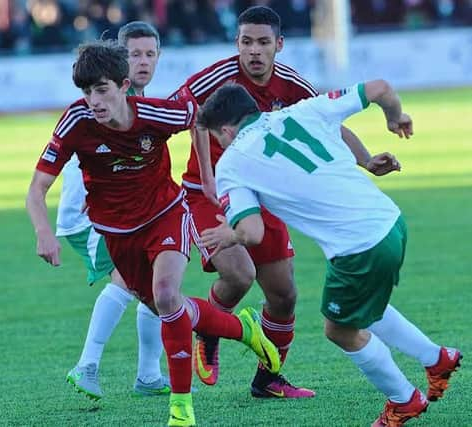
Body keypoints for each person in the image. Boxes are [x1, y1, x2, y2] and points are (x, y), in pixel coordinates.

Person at [26, 39, 281, 427]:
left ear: (124, 85)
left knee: (165, 297)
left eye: (102, 89)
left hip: (165, 213)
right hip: (117, 233)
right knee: (171, 308)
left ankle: (181, 409)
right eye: (86, 91)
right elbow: (37, 189)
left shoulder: (155, 114)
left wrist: (208, 177)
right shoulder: (77, 121)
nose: (93, 100)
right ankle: (243, 329)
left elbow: (198, 118)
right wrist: (44, 231)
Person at [197, 80, 462, 426]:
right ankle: (437, 359)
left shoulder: (231, 164)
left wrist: (227, 234)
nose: (221, 143)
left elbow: (252, 232)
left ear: (227, 130)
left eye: (217, 137)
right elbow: (380, 88)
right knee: (365, 308)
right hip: (390, 221)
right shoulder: (301, 111)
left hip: (358, 246)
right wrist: (395, 117)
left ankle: (404, 401)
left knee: (339, 329)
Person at [171, 5, 397, 398]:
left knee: (283, 294)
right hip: (209, 193)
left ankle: (268, 379)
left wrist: (365, 161)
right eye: (246, 42)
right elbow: (190, 115)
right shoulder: (218, 77)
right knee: (239, 275)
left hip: (263, 194)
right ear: (236, 43)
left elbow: (327, 123)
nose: (253, 51)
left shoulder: (291, 84)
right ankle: (209, 328)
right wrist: (206, 174)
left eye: (262, 42)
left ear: (279, 44)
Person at [59, 21, 171, 400]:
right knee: (128, 280)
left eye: (149, 54)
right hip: (93, 215)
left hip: (125, 211)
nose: (142, 61)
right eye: (134, 54)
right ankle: (86, 365)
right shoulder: (102, 101)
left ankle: (149, 375)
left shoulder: (142, 103)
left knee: (159, 282)